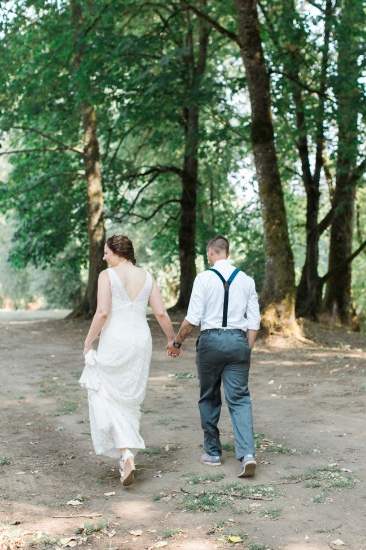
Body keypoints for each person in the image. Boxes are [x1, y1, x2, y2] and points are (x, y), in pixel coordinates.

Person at [80, 235, 176, 486]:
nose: (103, 257)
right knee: (130, 397)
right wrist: (172, 339)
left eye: (106, 252)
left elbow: (102, 312)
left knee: (106, 392)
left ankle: (126, 453)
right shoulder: (148, 276)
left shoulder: (107, 276)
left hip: (116, 339)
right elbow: (161, 312)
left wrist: (89, 342)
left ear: (118, 253)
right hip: (141, 341)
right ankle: (126, 455)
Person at [166, 236, 260, 477]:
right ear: (227, 253)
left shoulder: (204, 278)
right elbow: (254, 322)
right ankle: (247, 454)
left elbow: (194, 317)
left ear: (210, 253)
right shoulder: (247, 281)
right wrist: (245, 348)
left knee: (208, 396)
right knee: (239, 399)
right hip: (239, 340)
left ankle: (213, 452)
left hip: (210, 342)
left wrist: (176, 342)